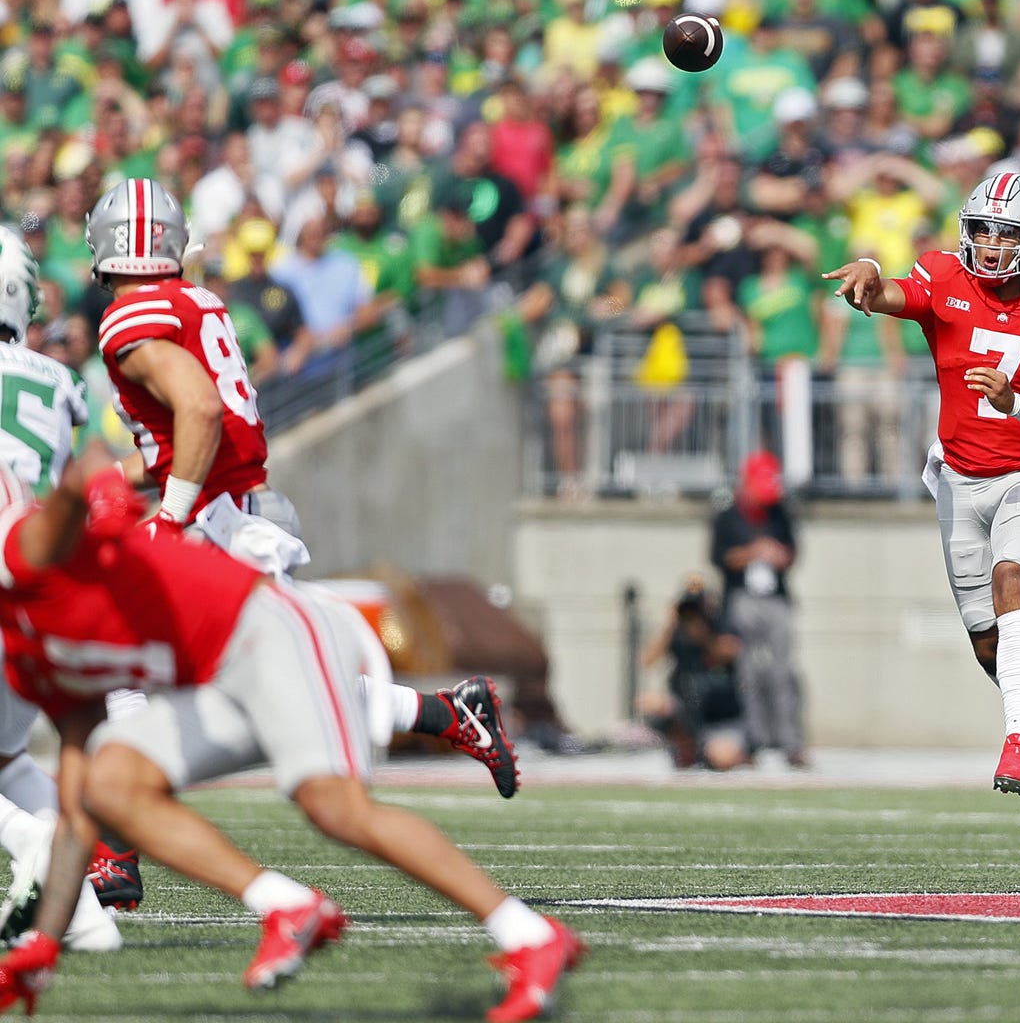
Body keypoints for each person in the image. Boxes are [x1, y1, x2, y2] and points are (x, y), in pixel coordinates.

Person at [0, 451, 583, 1021]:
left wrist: (107, 493)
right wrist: (44, 944)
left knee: (336, 808)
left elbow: (85, 471)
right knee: (111, 784)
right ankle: (288, 905)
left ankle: (529, 934)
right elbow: (78, 814)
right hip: (218, 679)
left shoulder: (24, 554)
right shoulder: (26, 658)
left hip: (267, 631)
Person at [80, 179, 524, 902]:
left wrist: (170, 514)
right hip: (242, 510)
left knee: (133, 666)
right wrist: (114, 483)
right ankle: (448, 713)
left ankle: (114, 853)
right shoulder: (198, 301)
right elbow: (190, 426)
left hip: (217, 521)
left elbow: (198, 411)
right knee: (280, 692)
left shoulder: (133, 315)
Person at [823, 172, 1020, 813]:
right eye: (980, 229)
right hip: (957, 479)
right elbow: (894, 293)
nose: (988, 244)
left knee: (1015, 584)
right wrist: (869, 269)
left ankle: (1016, 743)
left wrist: (1018, 405)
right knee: (990, 650)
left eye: (1004, 233)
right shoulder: (947, 279)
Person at [0, 227, 120, 953]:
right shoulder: (58, 378)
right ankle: (85, 917)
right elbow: (82, 477)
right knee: (9, 761)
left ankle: (41, 857)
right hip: (37, 585)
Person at [709, 451, 806, 768]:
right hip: (742, 598)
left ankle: (791, 743)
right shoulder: (727, 515)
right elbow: (719, 559)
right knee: (748, 674)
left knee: (783, 673)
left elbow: (793, 553)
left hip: (775, 598)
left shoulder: (780, 513)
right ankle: (754, 741)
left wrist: (780, 556)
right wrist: (753, 552)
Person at [639, 576, 749, 771]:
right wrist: (670, 623)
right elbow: (647, 661)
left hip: (720, 718)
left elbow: (731, 651)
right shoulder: (676, 630)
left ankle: (743, 756)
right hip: (687, 712)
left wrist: (704, 636)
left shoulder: (721, 623)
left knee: (722, 757)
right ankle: (687, 748)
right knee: (649, 702)